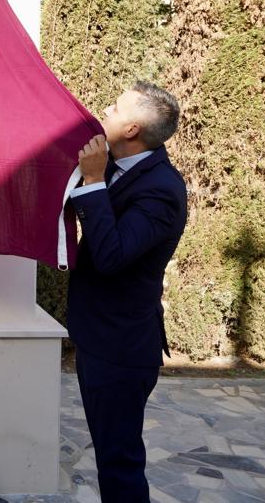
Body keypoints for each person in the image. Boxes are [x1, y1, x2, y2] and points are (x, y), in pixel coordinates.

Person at [66, 81, 188, 503]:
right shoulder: (118, 167)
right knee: (109, 455)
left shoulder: (162, 191)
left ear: (133, 128)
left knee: (119, 465)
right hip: (97, 335)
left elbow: (112, 256)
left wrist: (95, 181)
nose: (106, 109)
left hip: (120, 349)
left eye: (115, 107)